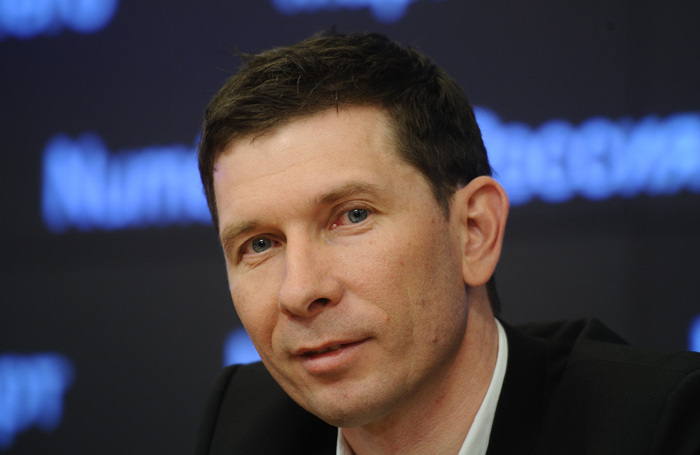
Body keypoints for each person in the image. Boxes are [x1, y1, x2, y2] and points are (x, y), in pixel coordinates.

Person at [194, 31, 700, 455]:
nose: (300, 290)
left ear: (473, 231)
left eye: (353, 216)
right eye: (259, 244)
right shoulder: (244, 426)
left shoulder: (658, 425)